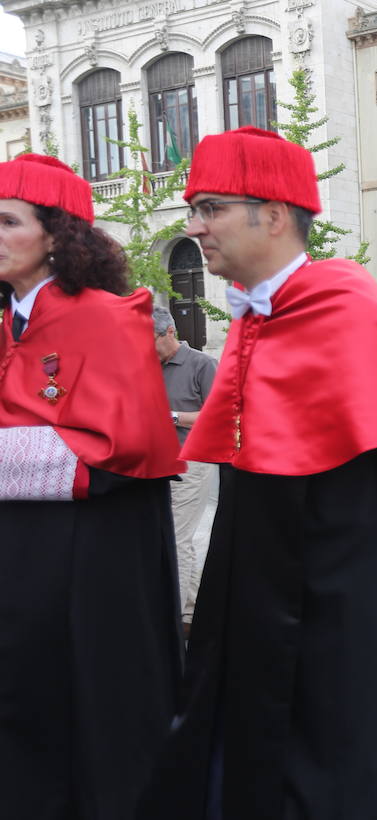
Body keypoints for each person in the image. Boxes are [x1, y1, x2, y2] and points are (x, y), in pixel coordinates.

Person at [142, 128, 377, 820]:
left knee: (340, 768)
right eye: (193, 209)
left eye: (210, 207)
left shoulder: (348, 306)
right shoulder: (252, 317)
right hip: (252, 585)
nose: (193, 225)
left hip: (343, 586)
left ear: (273, 213)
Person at [0, 154, 184, 820]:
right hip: (21, 571)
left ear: (56, 235)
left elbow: (119, 451)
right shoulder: (6, 329)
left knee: (95, 736)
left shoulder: (109, 316)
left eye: (7, 220)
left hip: (89, 572)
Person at [152, 305, 219, 633]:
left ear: (169, 332)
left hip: (192, 461)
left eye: (151, 340)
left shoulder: (202, 364)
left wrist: (170, 417)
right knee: (180, 538)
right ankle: (193, 614)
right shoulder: (149, 365)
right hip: (157, 461)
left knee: (176, 538)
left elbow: (217, 416)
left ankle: (172, 621)